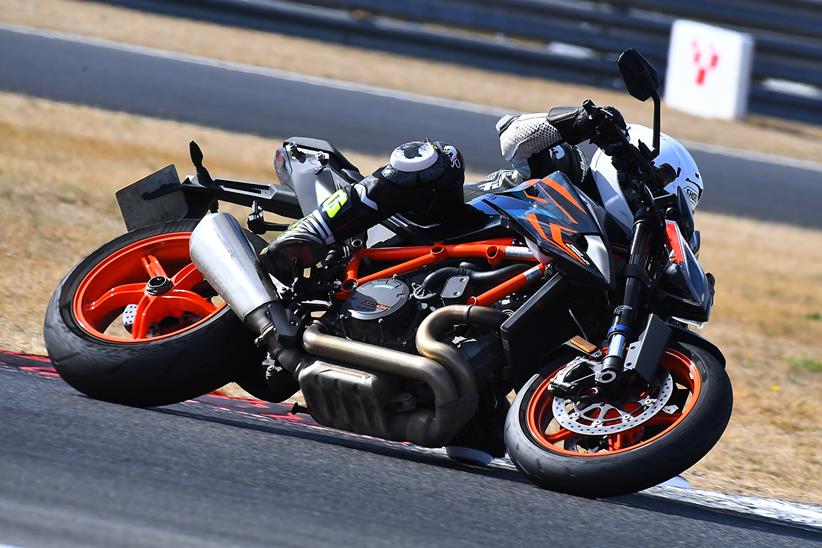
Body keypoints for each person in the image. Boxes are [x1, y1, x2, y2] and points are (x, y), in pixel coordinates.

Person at [259, 105, 627, 282]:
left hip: (461, 283)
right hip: (440, 222)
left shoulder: (617, 251)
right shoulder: (567, 167)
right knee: (440, 158)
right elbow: (512, 135)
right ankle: (314, 230)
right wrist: (577, 119)